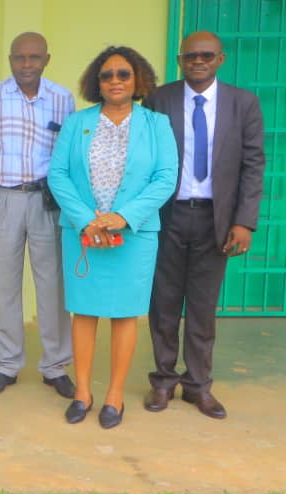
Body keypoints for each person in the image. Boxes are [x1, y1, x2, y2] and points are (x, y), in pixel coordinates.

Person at [47, 46, 177, 429]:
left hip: (135, 235)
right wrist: (87, 220)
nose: (115, 81)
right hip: (83, 232)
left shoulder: (156, 124)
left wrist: (123, 217)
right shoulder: (77, 123)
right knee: (84, 311)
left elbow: (165, 178)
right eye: (107, 75)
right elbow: (58, 175)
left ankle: (114, 396)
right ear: (97, 82)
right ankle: (82, 393)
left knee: (124, 313)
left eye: (123, 74)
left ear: (138, 80)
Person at [143, 31, 265, 420]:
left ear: (220, 59)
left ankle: (198, 385)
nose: (198, 60)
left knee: (202, 306)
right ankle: (163, 380)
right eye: (190, 55)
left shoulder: (243, 103)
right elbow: (143, 157)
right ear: (180, 60)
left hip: (217, 218)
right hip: (168, 215)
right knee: (163, 303)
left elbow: (253, 164)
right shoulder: (159, 99)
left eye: (207, 55)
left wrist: (244, 221)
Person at [0, 32, 75, 398]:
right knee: (4, 284)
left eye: (34, 57)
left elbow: (68, 152)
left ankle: (55, 366)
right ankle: (6, 364)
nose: (27, 64)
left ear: (47, 59)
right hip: (4, 198)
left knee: (53, 285)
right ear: (10, 60)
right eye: (19, 57)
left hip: (48, 201)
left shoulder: (63, 99)